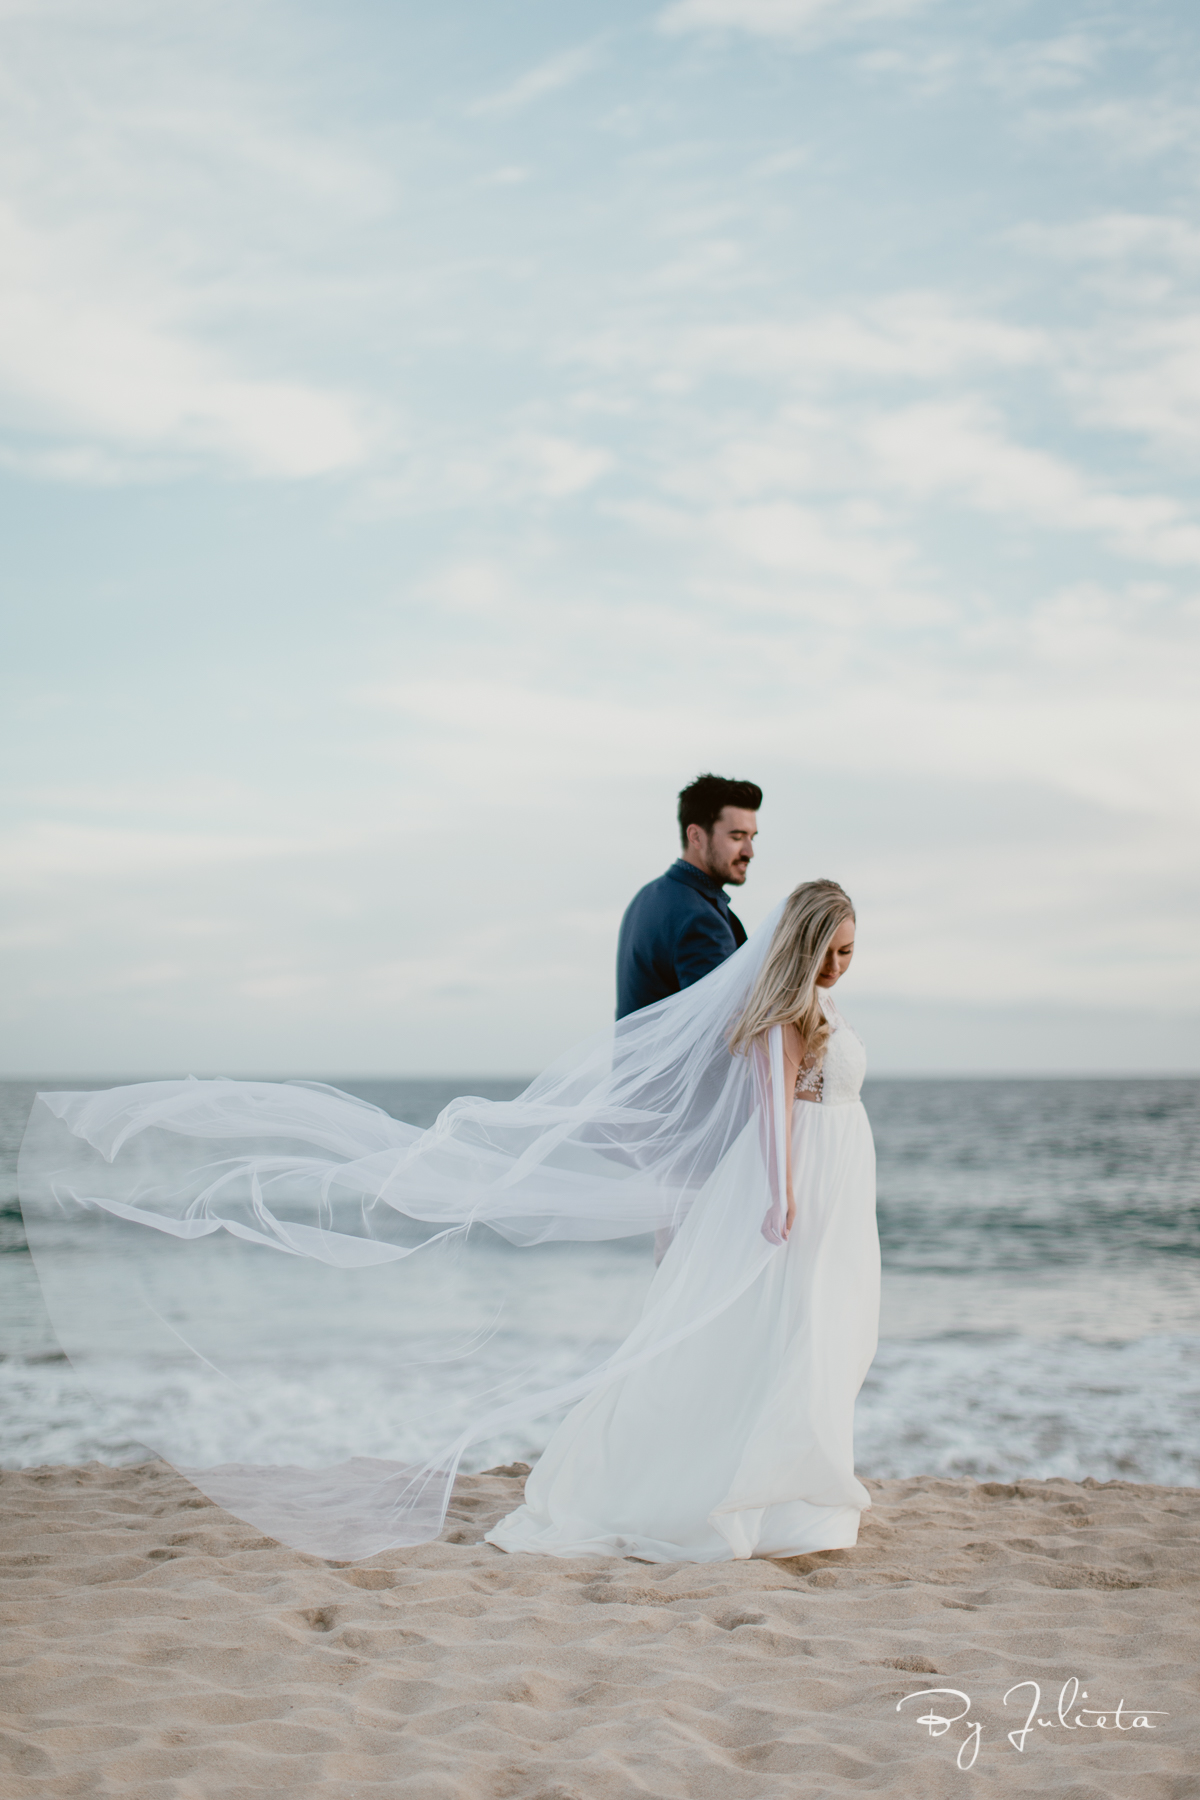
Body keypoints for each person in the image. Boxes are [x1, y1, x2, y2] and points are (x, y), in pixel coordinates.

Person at [19, 881, 878, 1565]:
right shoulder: (782, 1024)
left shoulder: (824, 1011)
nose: (843, 965)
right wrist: (781, 1200)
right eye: (833, 950)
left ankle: (791, 1493)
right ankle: (737, 1494)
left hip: (836, 1191)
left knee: (818, 1338)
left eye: (850, 951)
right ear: (804, 945)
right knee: (780, 1338)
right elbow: (773, 1114)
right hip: (798, 1188)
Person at [616, 773, 761, 1020]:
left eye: (752, 837)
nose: (749, 851)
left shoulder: (647, 897)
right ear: (696, 836)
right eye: (736, 837)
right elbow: (720, 1031)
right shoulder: (700, 920)